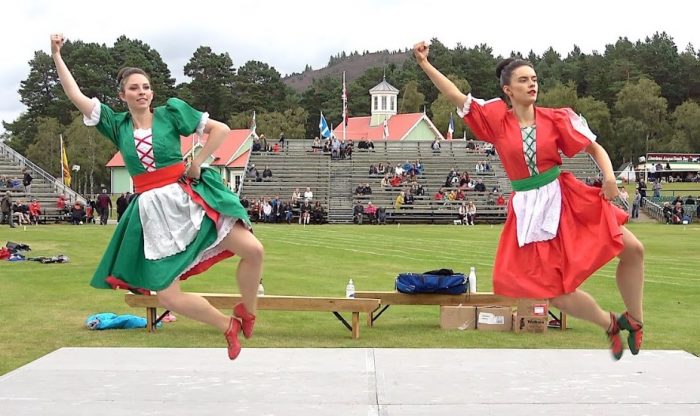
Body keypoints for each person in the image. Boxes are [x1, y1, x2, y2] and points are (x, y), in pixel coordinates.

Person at [414, 41, 644, 360]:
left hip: (566, 197)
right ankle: (609, 324)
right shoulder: (496, 118)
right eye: (523, 80)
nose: (532, 84)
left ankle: (635, 319)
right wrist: (425, 64)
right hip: (530, 210)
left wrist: (609, 177)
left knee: (633, 249)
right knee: (556, 294)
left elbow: (595, 148)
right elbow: (455, 95)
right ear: (507, 89)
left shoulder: (557, 118)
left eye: (534, 78)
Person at [51, 33, 263, 361]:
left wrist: (197, 161)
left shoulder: (171, 113)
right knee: (168, 296)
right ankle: (227, 326)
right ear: (122, 95)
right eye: (134, 88)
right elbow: (74, 94)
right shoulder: (115, 123)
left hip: (188, 196)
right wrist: (56, 55)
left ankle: (248, 312)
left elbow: (219, 130)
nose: (142, 92)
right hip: (153, 211)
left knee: (253, 249)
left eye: (146, 87)